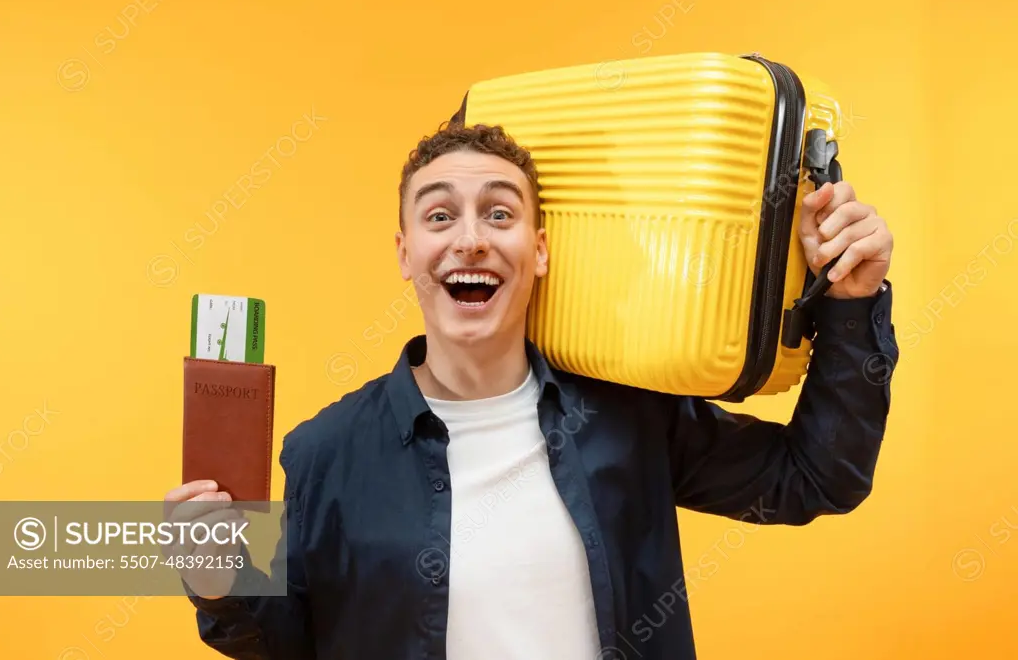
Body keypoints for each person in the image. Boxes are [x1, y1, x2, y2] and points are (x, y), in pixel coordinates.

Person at [165, 122, 899, 660]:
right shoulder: (325, 451)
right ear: (405, 253)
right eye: (440, 215)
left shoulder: (628, 413)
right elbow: (289, 640)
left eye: (500, 213)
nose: (471, 239)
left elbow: (816, 477)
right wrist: (215, 579)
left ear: (538, 250)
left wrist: (849, 302)